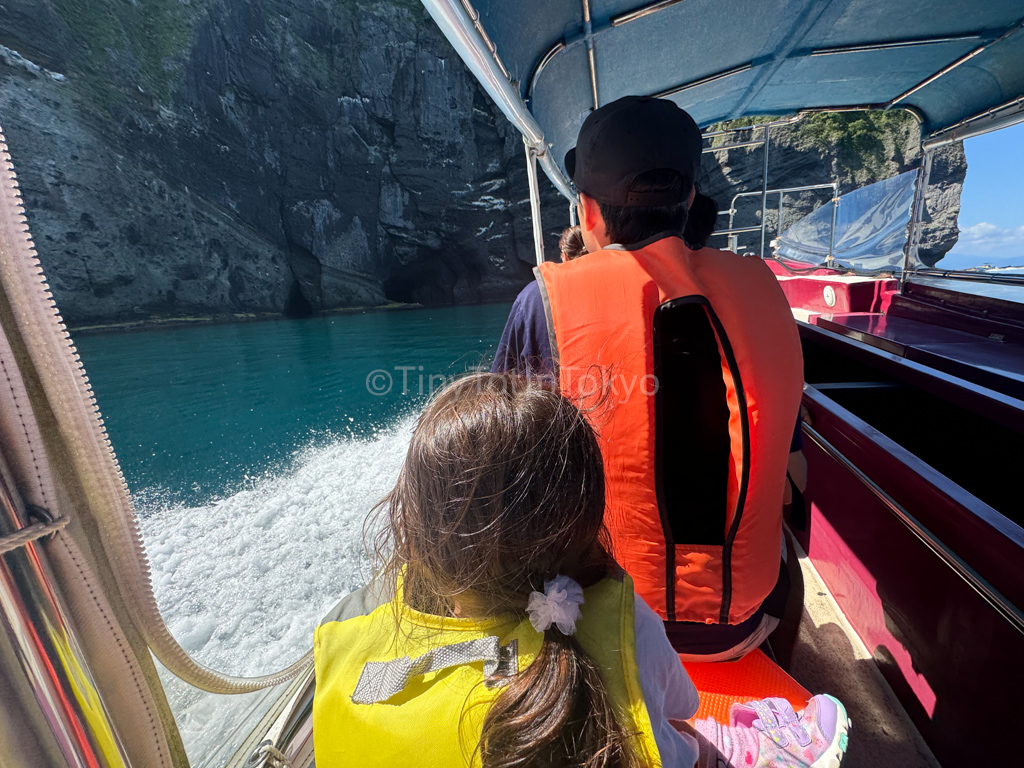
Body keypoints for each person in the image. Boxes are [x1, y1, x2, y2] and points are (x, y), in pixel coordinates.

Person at [312, 373, 848, 768]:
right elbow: (682, 702)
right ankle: (760, 755)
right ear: (585, 516)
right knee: (684, 736)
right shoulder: (620, 620)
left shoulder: (347, 634)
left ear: (418, 526)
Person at [492, 95, 805, 661]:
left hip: (611, 633)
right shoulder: (765, 292)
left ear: (587, 211)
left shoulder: (544, 305)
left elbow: (503, 469)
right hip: (745, 623)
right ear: (688, 199)